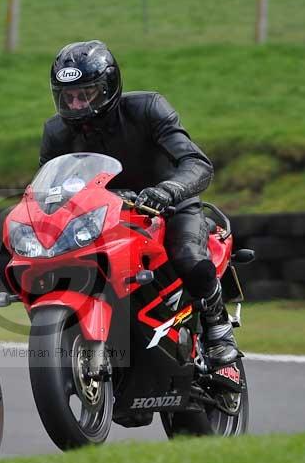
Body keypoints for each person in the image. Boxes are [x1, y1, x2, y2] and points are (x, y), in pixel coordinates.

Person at [41, 40, 239, 368]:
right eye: (67, 96)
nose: (76, 104)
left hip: (168, 205)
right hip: (104, 215)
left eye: (85, 93)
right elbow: (47, 187)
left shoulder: (148, 109)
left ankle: (217, 326)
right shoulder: (55, 131)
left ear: (108, 87)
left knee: (188, 256)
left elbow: (197, 162)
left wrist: (169, 190)